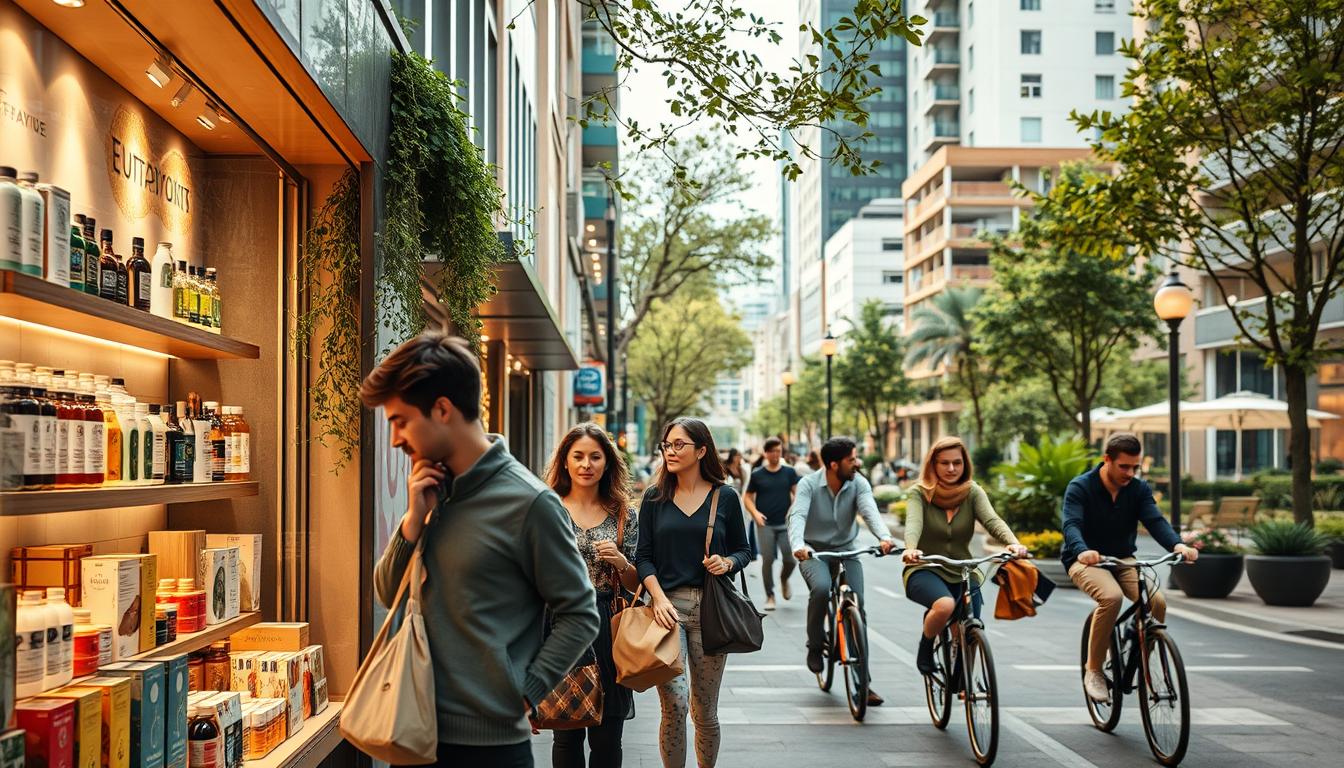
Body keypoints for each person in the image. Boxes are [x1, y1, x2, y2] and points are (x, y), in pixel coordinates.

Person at [367, 330, 599, 768]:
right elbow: (386, 593)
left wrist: (525, 693)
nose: (395, 438)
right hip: (412, 733)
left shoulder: (530, 503)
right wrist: (413, 520)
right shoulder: (432, 490)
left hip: (491, 750)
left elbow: (580, 613)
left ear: (442, 409)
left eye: (400, 421)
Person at [635, 418, 752, 768]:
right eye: (667, 445)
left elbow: (744, 550)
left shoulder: (725, 496)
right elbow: (643, 557)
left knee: (705, 710)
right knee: (675, 703)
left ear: (701, 451)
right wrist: (657, 597)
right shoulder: (654, 497)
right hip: (666, 610)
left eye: (679, 445)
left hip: (711, 610)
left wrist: (727, 562)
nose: (670, 452)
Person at [1062, 432, 1198, 703]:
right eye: (1124, 466)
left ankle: (1138, 651)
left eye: (1135, 467)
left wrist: (1178, 545)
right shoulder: (1081, 487)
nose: (1130, 473)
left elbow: (1155, 521)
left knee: (1156, 602)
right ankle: (1094, 670)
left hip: (1123, 559)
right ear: (1107, 460)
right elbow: (1071, 524)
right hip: (1085, 559)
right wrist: (1082, 550)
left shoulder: (1138, 489)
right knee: (1111, 597)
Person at [544, 424, 640, 768]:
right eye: (578, 456)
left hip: (607, 623)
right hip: (558, 622)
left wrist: (621, 562)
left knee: (608, 733)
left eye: (595, 457)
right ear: (565, 461)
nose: (586, 464)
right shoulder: (546, 508)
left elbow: (634, 584)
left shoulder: (623, 514)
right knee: (565, 728)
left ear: (607, 462)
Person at [901, 436, 1028, 674]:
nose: (951, 468)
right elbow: (913, 524)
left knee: (971, 628)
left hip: (964, 570)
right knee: (945, 605)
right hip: (925, 567)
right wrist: (911, 548)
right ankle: (926, 647)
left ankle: (963, 680)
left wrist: (1013, 543)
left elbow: (992, 521)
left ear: (965, 464)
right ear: (933, 465)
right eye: (944, 463)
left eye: (957, 463)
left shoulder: (972, 492)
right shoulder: (919, 493)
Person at [788, 437, 897, 707]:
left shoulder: (858, 483)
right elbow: (798, 515)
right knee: (822, 588)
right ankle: (815, 645)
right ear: (834, 464)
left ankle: (864, 685)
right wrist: (798, 545)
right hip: (813, 550)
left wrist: (884, 537)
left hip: (847, 549)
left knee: (858, 605)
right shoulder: (809, 484)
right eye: (852, 459)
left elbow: (870, 511)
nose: (856, 463)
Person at [743, 437, 800, 611]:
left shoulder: (789, 472)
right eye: (773, 451)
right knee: (767, 560)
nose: (776, 454)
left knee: (790, 559)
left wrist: (793, 510)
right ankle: (770, 595)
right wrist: (755, 514)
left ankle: (784, 579)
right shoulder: (757, 474)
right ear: (766, 453)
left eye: (779, 451)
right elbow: (747, 497)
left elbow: (798, 494)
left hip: (785, 524)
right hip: (765, 524)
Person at [722, 448, 758, 560]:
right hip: (727, 499)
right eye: (736, 455)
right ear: (732, 456)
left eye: (739, 456)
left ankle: (743, 551)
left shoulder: (742, 470)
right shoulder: (725, 468)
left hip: (740, 501)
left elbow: (745, 487)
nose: (738, 458)